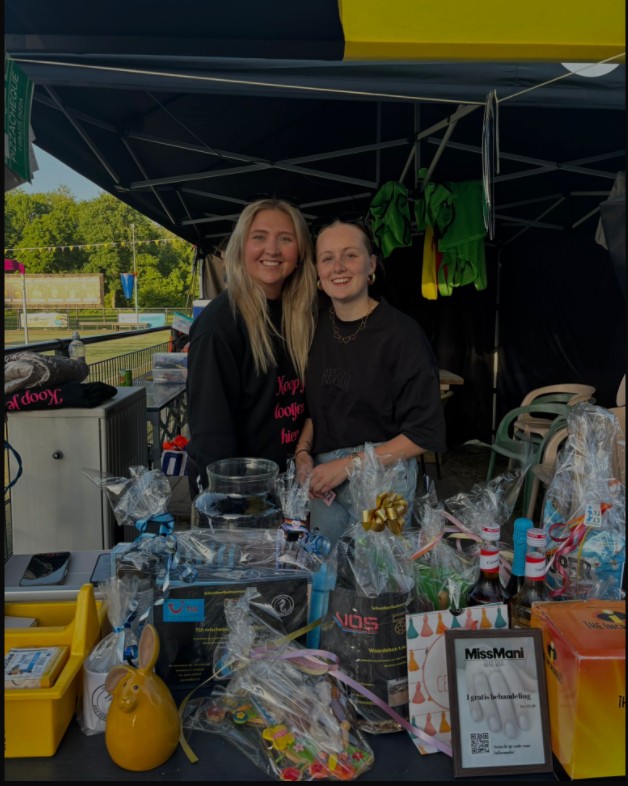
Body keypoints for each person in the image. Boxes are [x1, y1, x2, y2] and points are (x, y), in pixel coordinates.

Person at [295, 219, 447, 546]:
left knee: (381, 569)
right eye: (327, 258)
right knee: (326, 567)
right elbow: (316, 410)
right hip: (325, 482)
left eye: (350, 255)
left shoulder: (402, 335)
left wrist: (349, 466)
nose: (338, 266)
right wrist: (302, 452)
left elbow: (424, 433)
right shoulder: (313, 330)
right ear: (318, 270)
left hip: (387, 484)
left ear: (371, 265)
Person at [185, 198, 317, 494]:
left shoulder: (302, 315)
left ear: (300, 253)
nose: (272, 249)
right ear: (241, 248)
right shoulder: (220, 324)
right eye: (259, 237)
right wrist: (234, 503)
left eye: (285, 239)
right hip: (238, 492)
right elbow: (211, 432)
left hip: (289, 485)